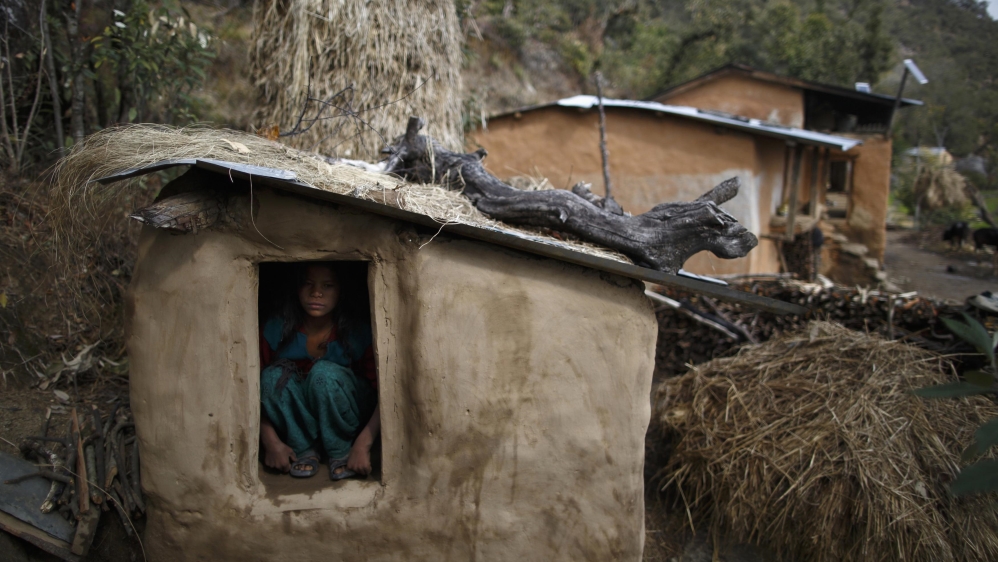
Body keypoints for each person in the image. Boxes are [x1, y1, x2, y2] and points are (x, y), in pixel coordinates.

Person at [258, 262, 379, 480]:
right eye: (307, 284)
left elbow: (386, 395)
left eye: (328, 285)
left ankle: (340, 449)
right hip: (296, 419)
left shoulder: (358, 332)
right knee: (270, 378)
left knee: (323, 375)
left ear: (341, 291)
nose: (316, 293)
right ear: (296, 288)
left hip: (348, 416)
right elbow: (246, 391)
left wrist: (363, 444)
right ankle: (303, 447)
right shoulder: (275, 329)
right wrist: (270, 441)